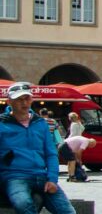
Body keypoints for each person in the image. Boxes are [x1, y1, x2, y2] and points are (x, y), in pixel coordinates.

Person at [1, 84, 77, 214]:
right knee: (24, 204)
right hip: (14, 176)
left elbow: (51, 154)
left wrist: (52, 179)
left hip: (42, 177)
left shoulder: (40, 123)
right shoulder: (2, 124)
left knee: (67, 211)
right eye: (19, 99)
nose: (24, 103)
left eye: (27, 98)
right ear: (9, 102)